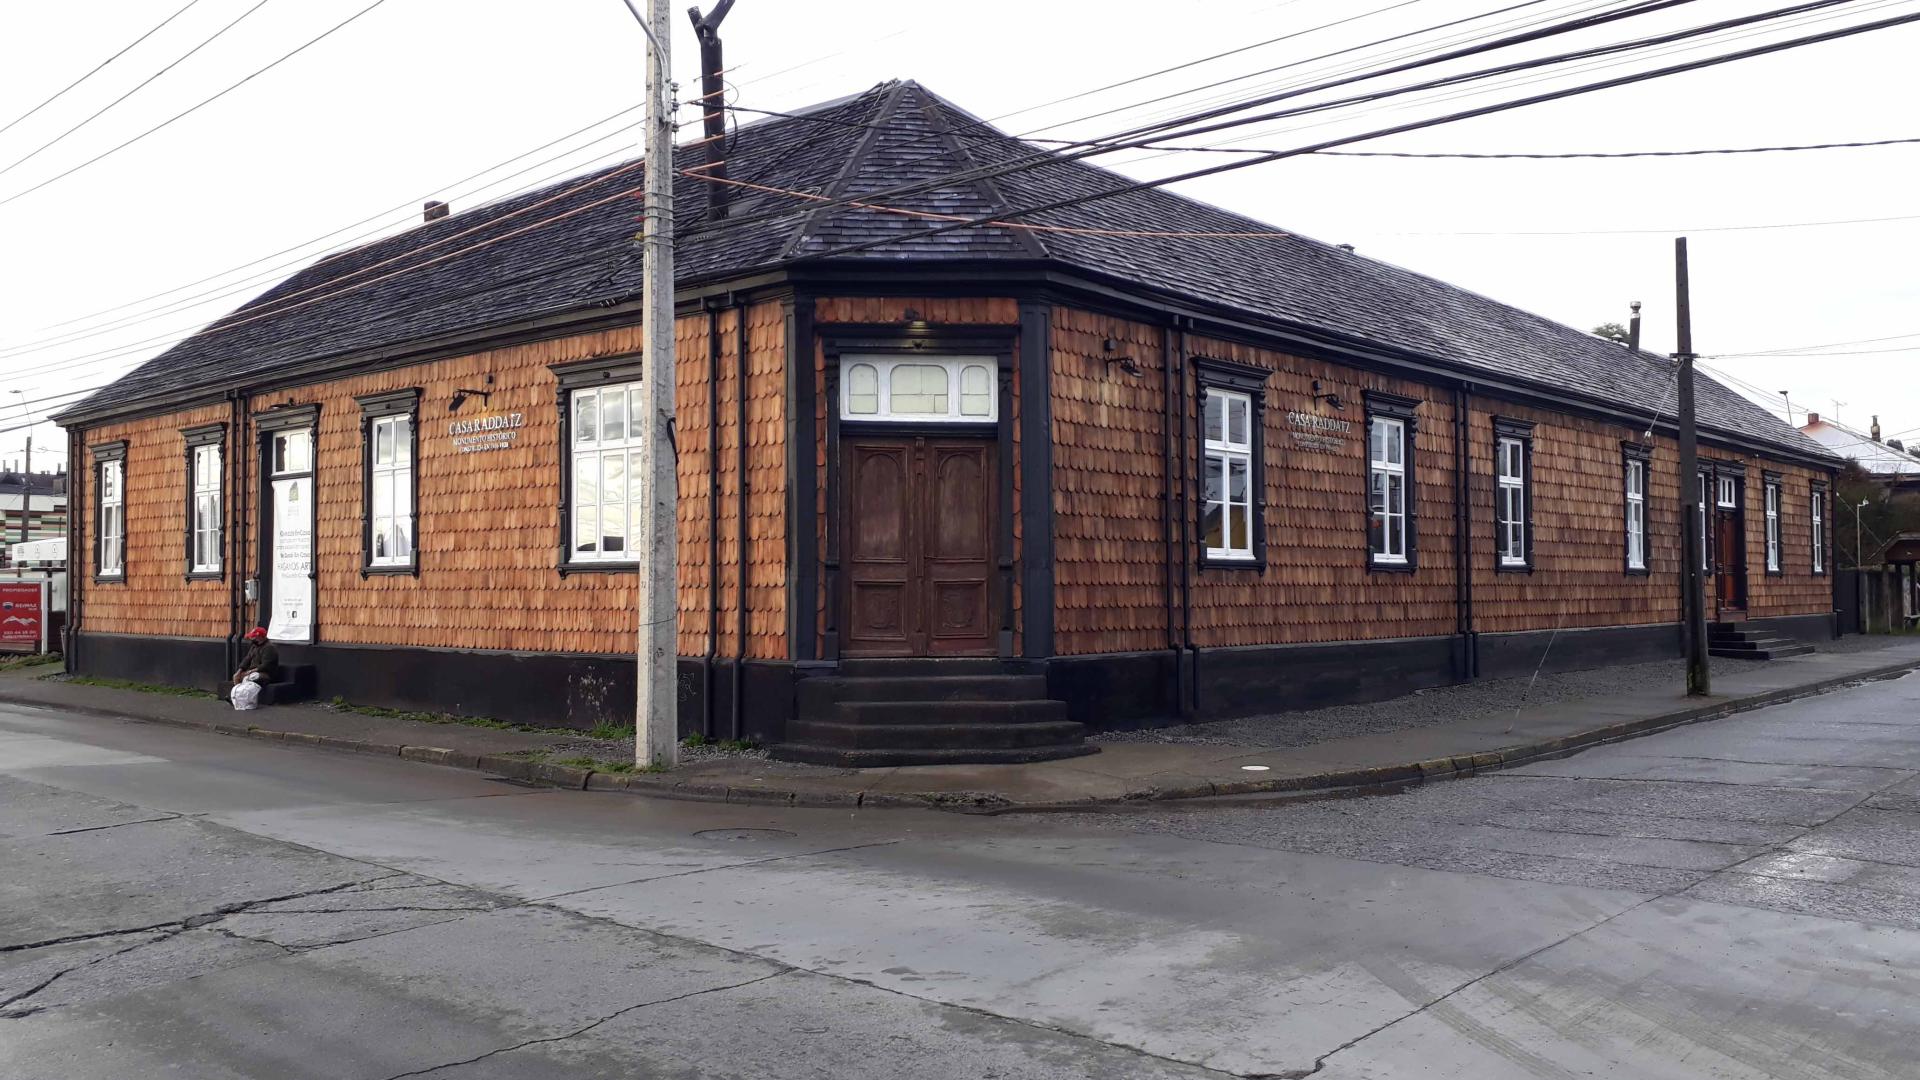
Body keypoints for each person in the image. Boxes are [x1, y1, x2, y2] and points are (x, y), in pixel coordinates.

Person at [231, 627, 281, 699]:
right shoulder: (254, 646)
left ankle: (245, 698)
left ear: (260, 637)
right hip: (253, 671)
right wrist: (239, 671)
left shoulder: (269, 648)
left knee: (249, 677)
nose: (251, 639)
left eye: (253, 637)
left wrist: (250, 671)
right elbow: (247, 659)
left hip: (266, 674)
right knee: (237, 677)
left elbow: (265, 665)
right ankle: (237, 697)